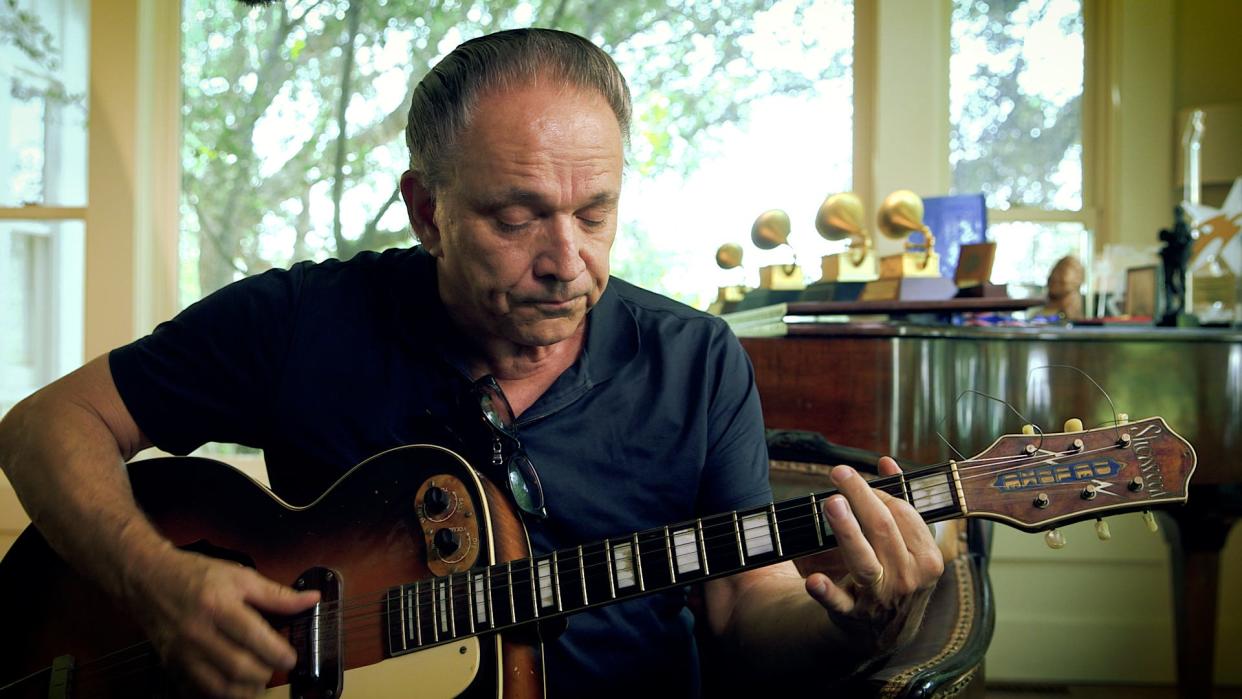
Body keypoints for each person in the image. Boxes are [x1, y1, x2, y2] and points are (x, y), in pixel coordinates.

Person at [0, 28, 943, 697]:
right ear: (426, 211)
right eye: (517, 214)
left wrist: (853, 622)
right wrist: (155, 582)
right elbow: (45, 424)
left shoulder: (694, 360)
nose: (567, 260)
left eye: (595, 211)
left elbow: (744, 611)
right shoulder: (299, 320)